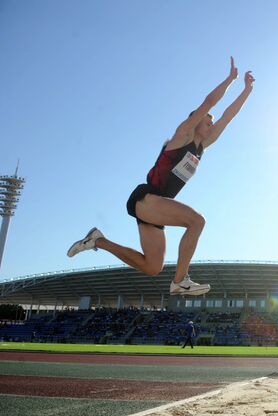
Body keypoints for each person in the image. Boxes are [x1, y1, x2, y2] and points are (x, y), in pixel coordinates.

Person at [67, 58, 255, 296]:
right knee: (197, 221)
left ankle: (97, 241)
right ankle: (180, 281)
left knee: (152, 266)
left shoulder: (201, 147)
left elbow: (228, 116)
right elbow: (209, 102)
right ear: (196, 122)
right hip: (147, 198)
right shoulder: (183, 134)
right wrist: (230, 80)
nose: (212, 123)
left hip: (156, 209)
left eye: (211, 122)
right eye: (208, 120)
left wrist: (247, 91)